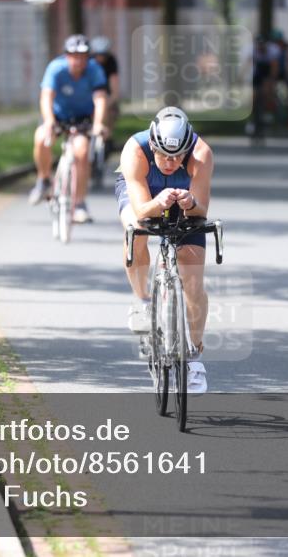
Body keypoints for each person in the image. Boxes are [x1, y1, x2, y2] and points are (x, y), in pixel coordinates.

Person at [116, 107, 213, 394]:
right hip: (145, 191)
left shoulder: (201, 154)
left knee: (193, 281)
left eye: (177, 157)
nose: (170, 163)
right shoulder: (135, 150)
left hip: (183, 194)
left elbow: (202, 210)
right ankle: (143, 300)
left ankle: (194, 356)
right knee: (136, 233)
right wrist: (158, 203)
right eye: (163, 155)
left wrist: (189, 202)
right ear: (153, 145)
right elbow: (143, 210)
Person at [28, 34, 109, 223]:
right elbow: (46, 97)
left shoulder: (94, 70)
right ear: (66, 55)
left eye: (83, 56)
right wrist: (49, 121)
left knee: (81, 152)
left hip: (82, 119)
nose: (78, 61)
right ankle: (43, 180)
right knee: (41, 138)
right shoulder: (56, 68)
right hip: (57, 116)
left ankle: (79, 203)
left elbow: (100, 99)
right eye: (74, 55)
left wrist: (98, 124)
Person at [90, 36, 121, 142]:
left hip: (105, 94)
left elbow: (114, 85)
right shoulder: (88, 62)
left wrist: (109, 102)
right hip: (89, 94)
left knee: (111, 111)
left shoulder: (111, 62)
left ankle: (106, 139)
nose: (100, 58)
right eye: (98, 55)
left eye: (103, 55)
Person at [271, 28, 288, 129]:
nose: (277, 44)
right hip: (279, 72)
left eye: (278, 41)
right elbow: (274, 64)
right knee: (271, 90)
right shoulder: (273, 48)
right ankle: (272, 113)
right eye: (275, 42)